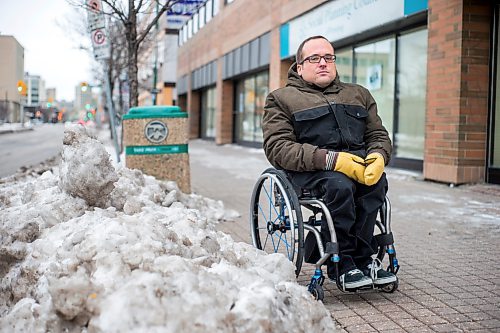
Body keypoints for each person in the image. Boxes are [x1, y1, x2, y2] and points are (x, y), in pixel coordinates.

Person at [262, 35, 396, 291]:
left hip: (357, 166)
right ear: (300, 67)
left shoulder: (358, 94)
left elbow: (377, 135)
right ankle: (342, 263)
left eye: (328, 57)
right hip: (310, 172)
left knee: (375, 185)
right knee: (340, 186)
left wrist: (379, 155)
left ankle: (364, 259)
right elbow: (278, 148)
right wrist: (331, 159)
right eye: (314, 58)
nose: (323, 62)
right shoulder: (281, 99)